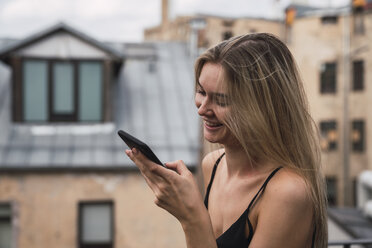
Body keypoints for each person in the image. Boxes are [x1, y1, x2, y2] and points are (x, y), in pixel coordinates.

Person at [125, 33, 328, 248]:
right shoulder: (212, 165)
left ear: (262, 107)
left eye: (221, 100)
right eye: (201, 92)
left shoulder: (287, 193)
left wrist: (191, 217)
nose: (202, 109)